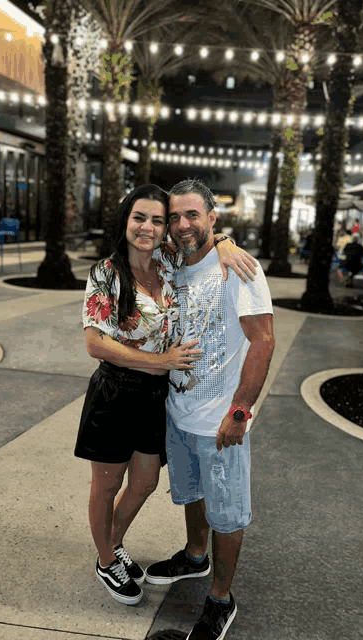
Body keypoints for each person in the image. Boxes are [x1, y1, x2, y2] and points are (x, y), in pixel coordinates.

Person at [74, 184, 259, 607]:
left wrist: (227, 241)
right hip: (116, 393)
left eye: (158, 220)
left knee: (144, 482)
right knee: (106, 485)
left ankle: (112, 542)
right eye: (140, 218)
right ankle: (106, 559)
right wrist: (161, 362)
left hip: (156, 398)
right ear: (125, 221)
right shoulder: (107, 272)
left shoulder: (169, 263)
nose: (150, 227)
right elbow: (96, 344)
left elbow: (206, 241)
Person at [145, 180, 275, 640]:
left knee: (228, 513)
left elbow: (263, 340)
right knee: (193, 493)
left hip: (221, 420)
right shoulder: (173, 264)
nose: (182, 225)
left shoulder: (239, 269)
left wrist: (240, 412)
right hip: (178, 411)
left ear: (212, 218)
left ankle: (221, 598)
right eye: (174, 217)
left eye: (192, 215)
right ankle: (195, 556)